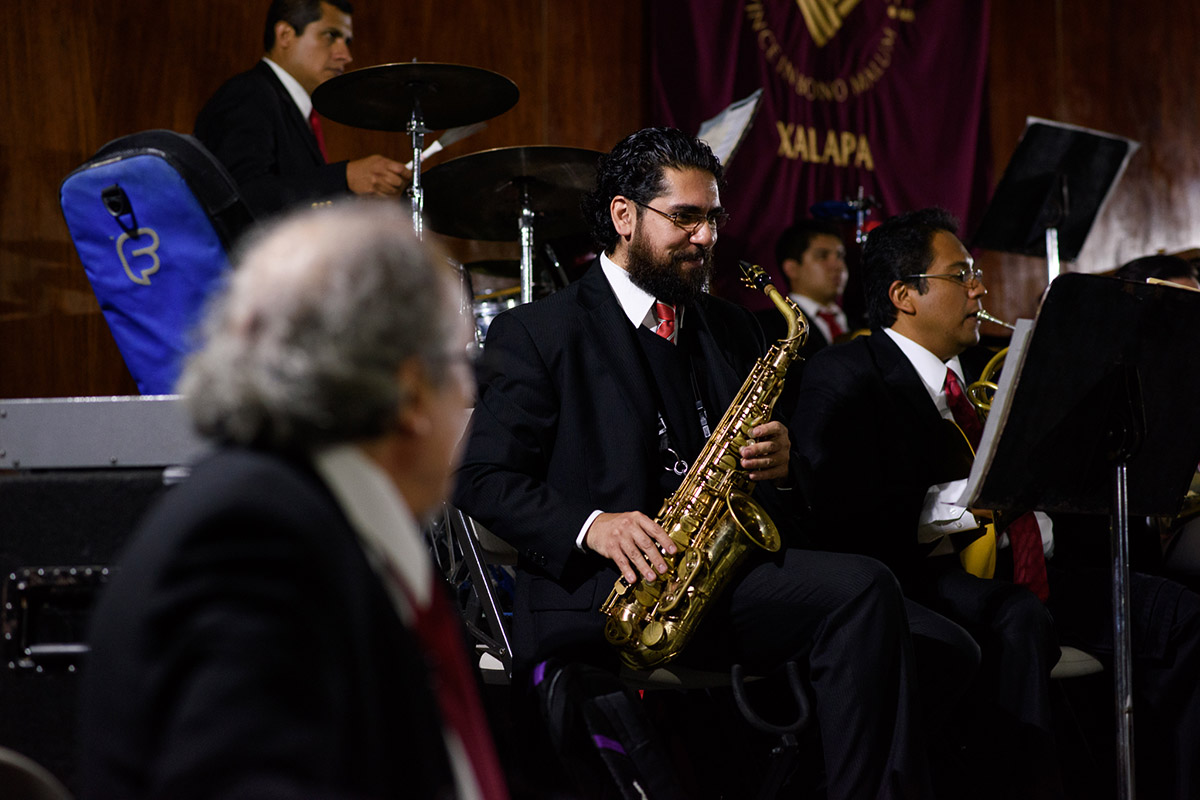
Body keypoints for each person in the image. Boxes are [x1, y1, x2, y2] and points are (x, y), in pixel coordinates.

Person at [453, 127, 972, 799]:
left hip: (717, 577)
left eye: (714, 219)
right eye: (686, 218)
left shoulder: (733, 325)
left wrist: (783, 466)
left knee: (946, 647)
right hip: (611, 592)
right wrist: (593, 525)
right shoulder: (542, 333)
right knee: (866, 593)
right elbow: (481, 479)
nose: (706, 238)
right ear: (623, 216)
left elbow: (777, 479)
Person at [79, 201, 507, 799]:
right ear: (410, 393)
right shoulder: (251, 538)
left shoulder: (315, 513)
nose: (468, 394)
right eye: (461, 367)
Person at [793, 207, 1200, 799]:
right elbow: (843, 508)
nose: (980, 288)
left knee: (1182, 617)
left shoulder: (993, 371)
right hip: (928, 578)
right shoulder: (848, 372)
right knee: (1017, 618)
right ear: (904, 294)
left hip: (1043, 572)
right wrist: (983, 499)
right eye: (961, 275)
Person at [195, 0, 412, 219]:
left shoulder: (288, 105)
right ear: (285, 35)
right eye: (330, 36)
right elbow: (242, 196)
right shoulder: (248, 93)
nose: (346, 55)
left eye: (347, 41)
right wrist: (344, 178)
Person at [757, 218, 851, 359]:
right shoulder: (765, 327)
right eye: (823, 256)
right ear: (792, 268)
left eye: (840, 256)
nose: (838, 266)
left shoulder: (860, 323)